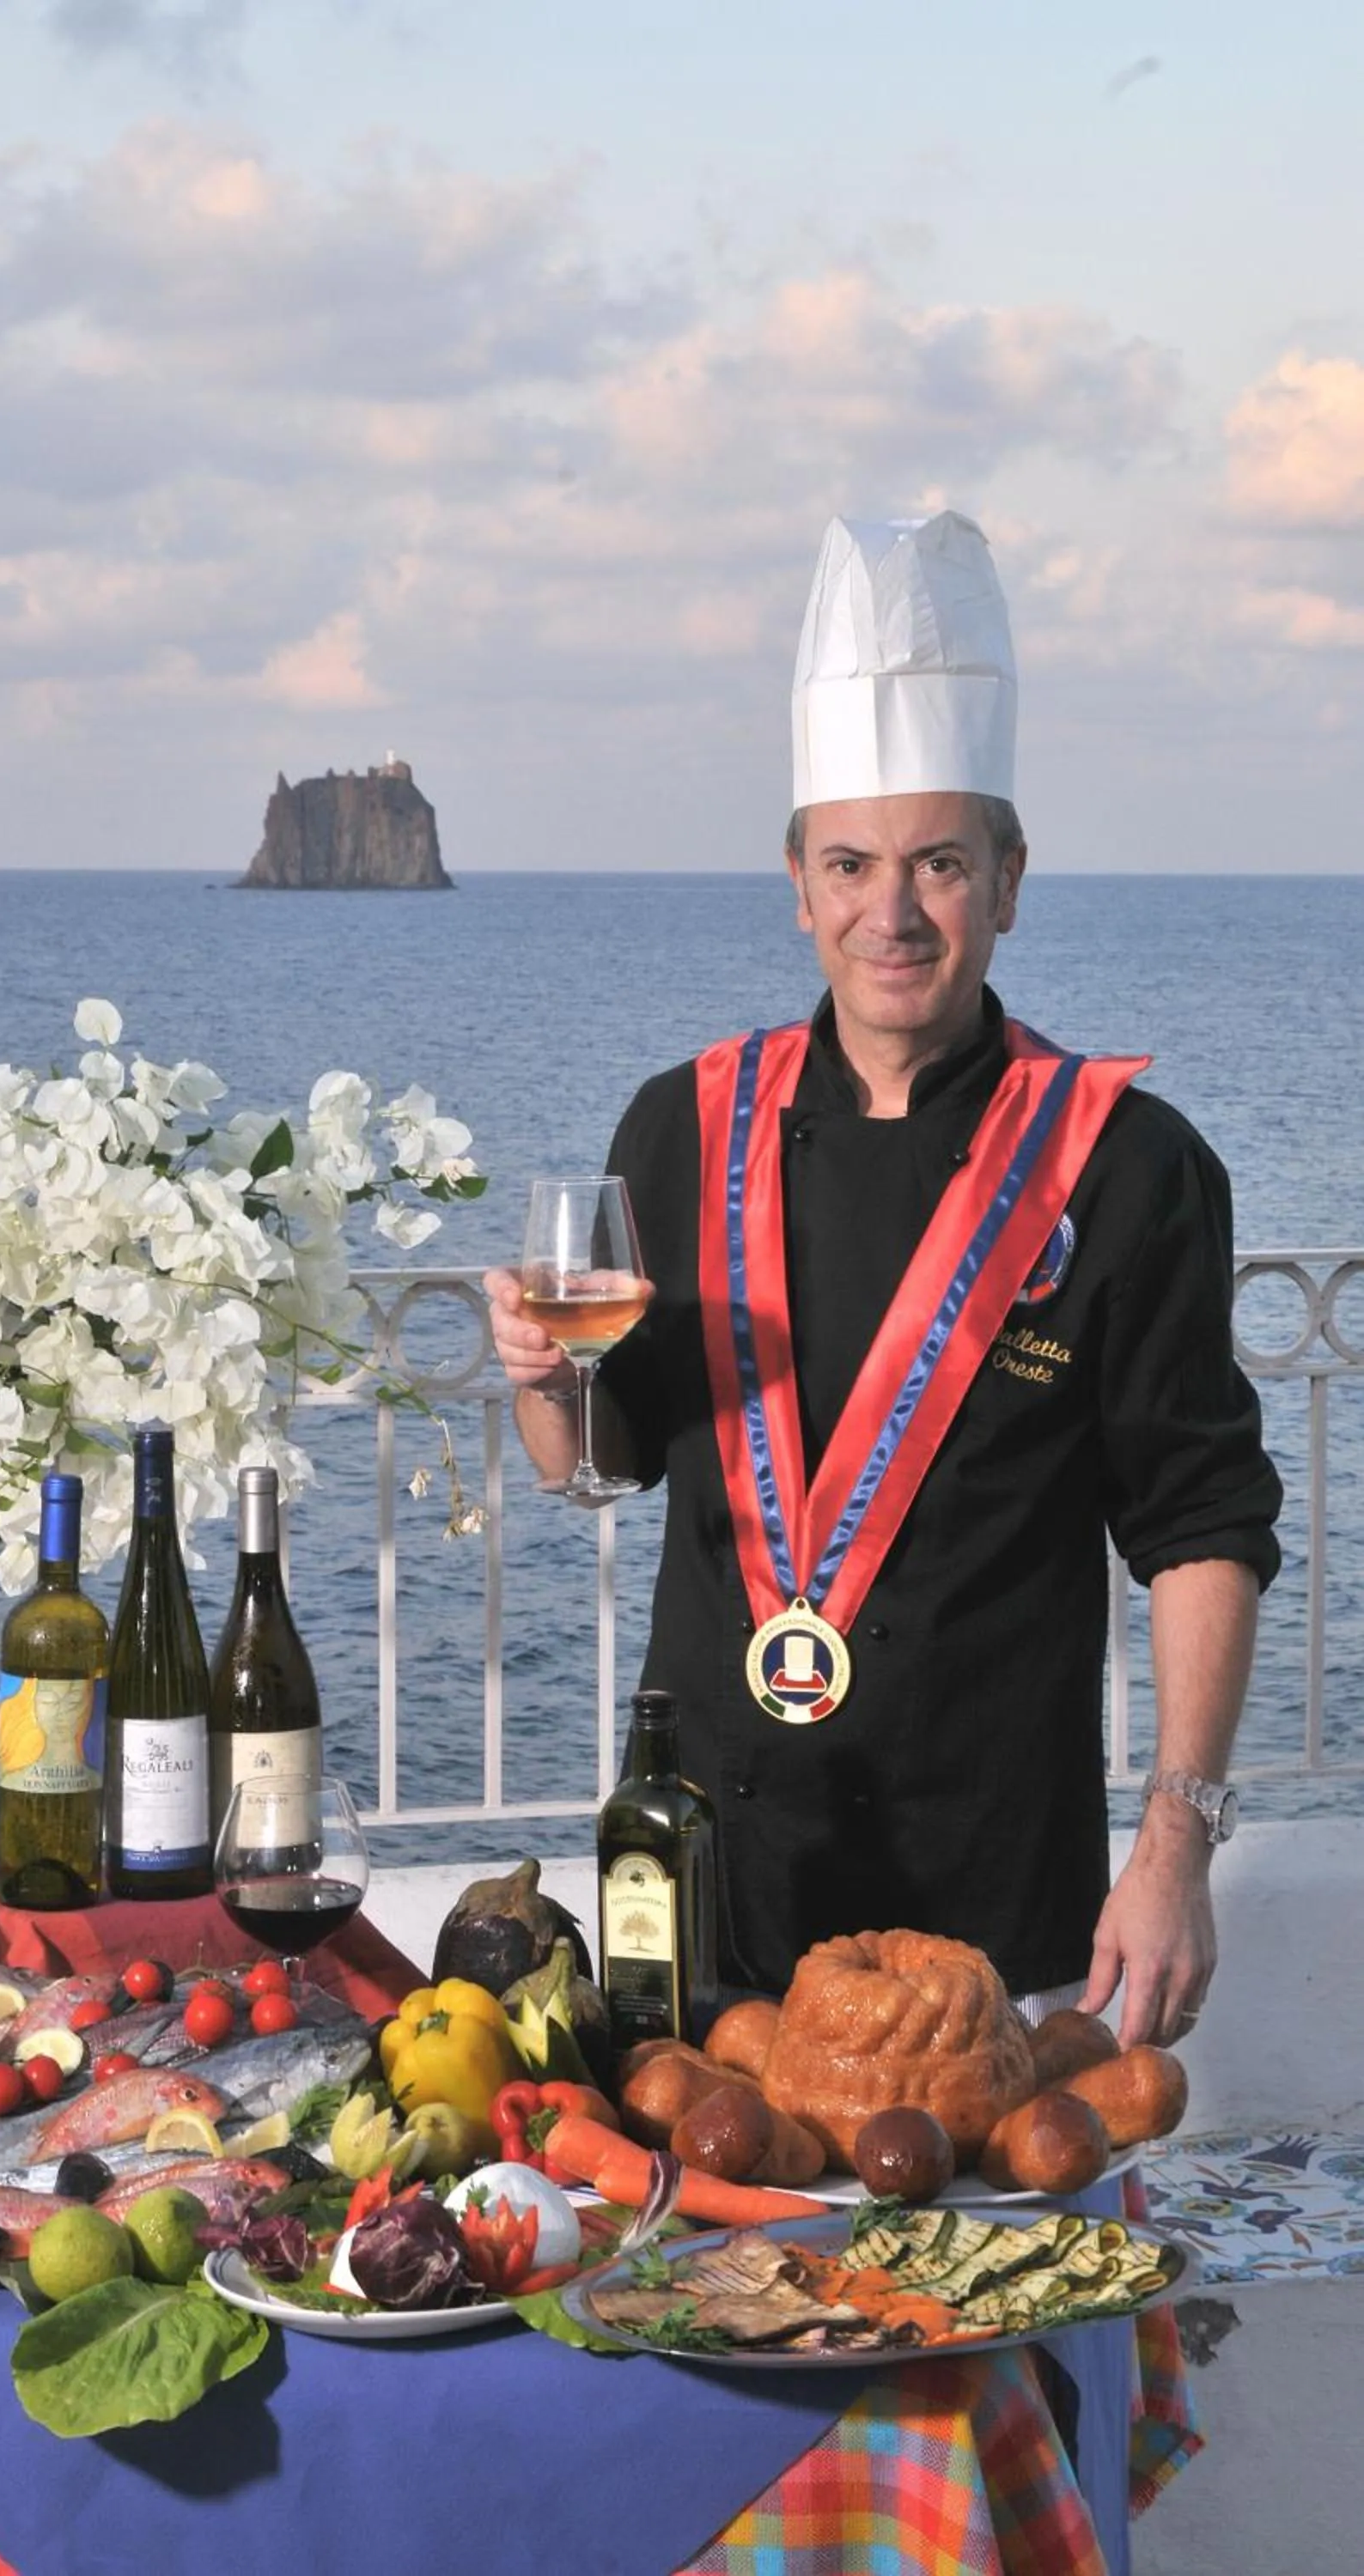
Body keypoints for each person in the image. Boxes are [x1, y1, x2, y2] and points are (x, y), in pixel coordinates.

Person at [486, 511, 1282, 2046]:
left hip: (1003, 1913)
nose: (893, 912)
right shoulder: (684, 1122)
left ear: (1010, 877)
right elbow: (604, 1462)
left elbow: (1201, 1526)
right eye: (851, 864)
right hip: (712, 1897)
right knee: (710, 2284)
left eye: (938, 863)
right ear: (797, 882)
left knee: (1001, 2283)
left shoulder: (1125, 1165)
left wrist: (1176, 1847)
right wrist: (544, 1381)